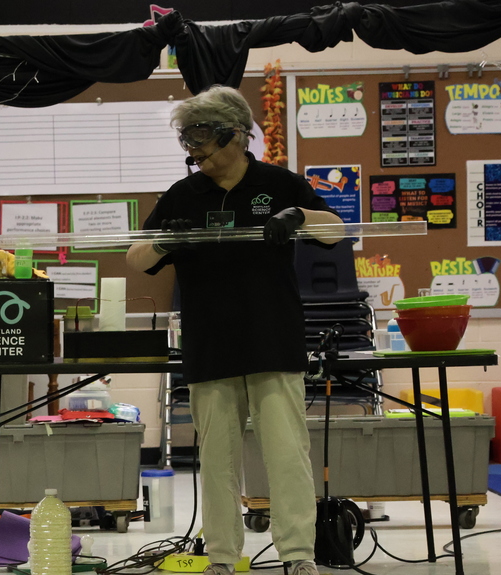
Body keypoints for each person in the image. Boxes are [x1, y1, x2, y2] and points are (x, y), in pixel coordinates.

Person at [126, 86, 342, 575]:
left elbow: (337, 231)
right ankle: (222, 557)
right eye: (189, 143)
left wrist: (301, 216)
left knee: (287, 454)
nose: (195, 153)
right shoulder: (184, 194)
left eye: (202, 140)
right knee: (217, 458)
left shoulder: (281, 184)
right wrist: (167, 240)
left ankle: (298, 556)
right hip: (210, 344)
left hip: (274, 338)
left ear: (237, 136)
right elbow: (135, 258)